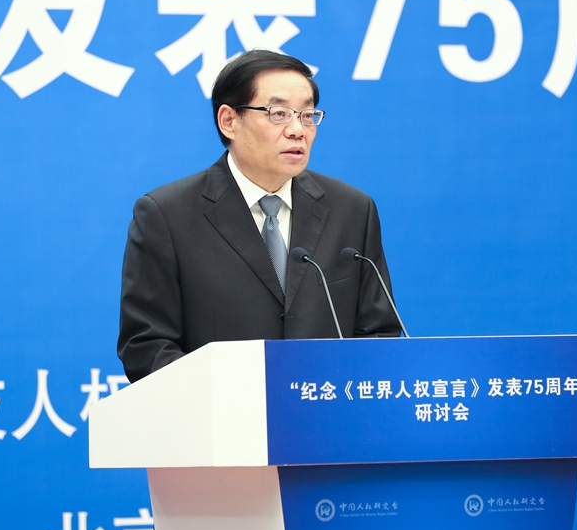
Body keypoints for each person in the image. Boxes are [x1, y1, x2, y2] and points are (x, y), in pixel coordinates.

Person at [117, 50, 401, 382]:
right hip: (219, 410)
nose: (297, 130)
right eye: (278, 114)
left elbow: (378, 333)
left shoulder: (352, 210)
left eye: (307, 115)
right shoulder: (166, 215)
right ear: (229, 121)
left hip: (324, 407)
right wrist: (228, 399)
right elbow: (147, 346)